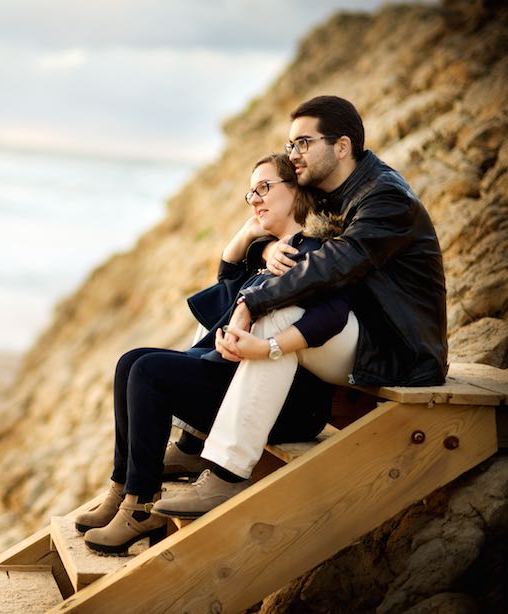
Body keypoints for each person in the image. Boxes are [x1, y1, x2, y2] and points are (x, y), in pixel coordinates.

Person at [150, 95, 447, 521]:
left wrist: (252, 303)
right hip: (348, 327)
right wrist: (267, 247)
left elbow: (336, 263)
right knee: (227, 309)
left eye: (303, 143)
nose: (294, 155)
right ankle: (194, 442)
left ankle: (227, 473)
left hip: (397, 348)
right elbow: (295, 244)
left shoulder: (386, 200)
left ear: (341, 146)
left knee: (277, 317)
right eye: (291, 146)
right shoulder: (326, 191)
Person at [78, 152, 352, 555]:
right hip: (243, 382)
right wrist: (245, 239)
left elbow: (330, 311)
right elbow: (227, 286)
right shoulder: (274, 251)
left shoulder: (311, 254)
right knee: (130, 362)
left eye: (265, 188)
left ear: (297, 191)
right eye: (251, 192)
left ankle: (139, 505)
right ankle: (122, 491)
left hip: (287, 402)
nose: (255, 198)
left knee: (149, 372)